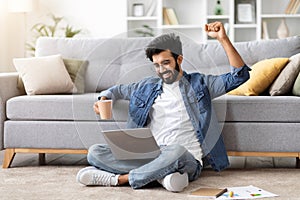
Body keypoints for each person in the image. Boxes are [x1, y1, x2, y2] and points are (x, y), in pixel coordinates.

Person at [76, 21, 250, 192]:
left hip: (186, 156)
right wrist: (103, 98)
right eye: (156, 65)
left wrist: (223, 39)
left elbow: (239, 77)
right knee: (95, 152)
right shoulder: (146, 86)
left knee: (175, 151)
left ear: (179, 59)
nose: (161, 70)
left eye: (166, 63)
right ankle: (162, 176)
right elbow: (116, 90)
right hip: (150, 154)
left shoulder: (200, 83)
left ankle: (121, 179)